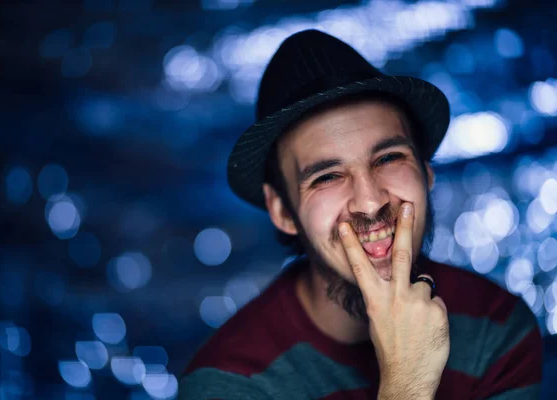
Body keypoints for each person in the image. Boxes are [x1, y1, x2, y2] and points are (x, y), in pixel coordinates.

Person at [179, 30, 543, 399]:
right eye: (327, 177)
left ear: (426, 170)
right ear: (282, 211)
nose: (370, 203)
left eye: (388, 158)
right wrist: (407, 383)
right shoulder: (227, 382)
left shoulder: (495, 327)